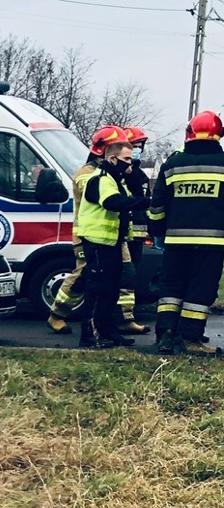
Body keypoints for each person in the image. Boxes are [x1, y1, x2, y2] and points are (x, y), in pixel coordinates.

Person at [147, 111, 224, 355]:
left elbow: (157, 205)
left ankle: (165, 336)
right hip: (213, 242)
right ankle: (190, 338)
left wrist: (157, 230)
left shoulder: (172, 164)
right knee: (199, 291)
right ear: (218, 136)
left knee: (170, 289)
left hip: (175, 241)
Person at [75, 126, 151, 349]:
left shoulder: (117, 179)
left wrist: (135, 182)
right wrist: (142, 202)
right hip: (98, 243)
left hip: (112, 242)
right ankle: (91, 335)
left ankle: (108, 331)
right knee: (98, 289)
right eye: (127, 159)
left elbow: (134, 197)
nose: (131, 162)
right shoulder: (101, 179)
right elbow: (113, 203)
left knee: (111, 289)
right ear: (114, 158)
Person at [48, 126, 123, 334]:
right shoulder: (87, 173)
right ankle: (57, 313)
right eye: (116, 148)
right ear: (103, 150)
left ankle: (112, 321)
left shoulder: (109, 171)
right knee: (82, 274)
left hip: (109, 235)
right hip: (86, 234)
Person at [115, 125, 154, 334]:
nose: (138, 149)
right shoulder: (120, 174)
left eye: (140, 146)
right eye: (135, 145)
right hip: (122, 234)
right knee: (124, 277)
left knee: (132, 276)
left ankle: (127, 315)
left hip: (137, 235)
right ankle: (122, 317)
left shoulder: (139, 175)